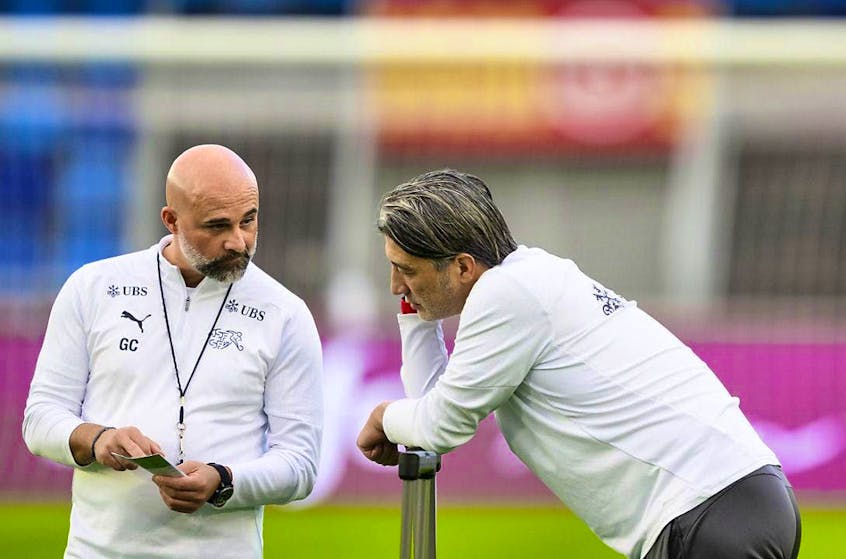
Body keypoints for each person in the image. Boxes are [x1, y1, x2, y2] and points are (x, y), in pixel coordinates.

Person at [357, 169, 801, 559]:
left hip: (709, 513)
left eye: (407, 270)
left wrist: (383, 416)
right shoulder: (529, 276)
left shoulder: (507, 295)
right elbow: (431, 407)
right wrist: (414, 314)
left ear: (462, 267)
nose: (395, 284)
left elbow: (440, 425)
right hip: (732, 505)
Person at [23, 144, 324, 558]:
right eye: (217, 226)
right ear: (171, 219)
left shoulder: (285, 313)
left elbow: (301, 467)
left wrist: (223, 480)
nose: (238, 241)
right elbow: (40, 419)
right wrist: (99, 440)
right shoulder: (92, 288)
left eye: (249, 220)